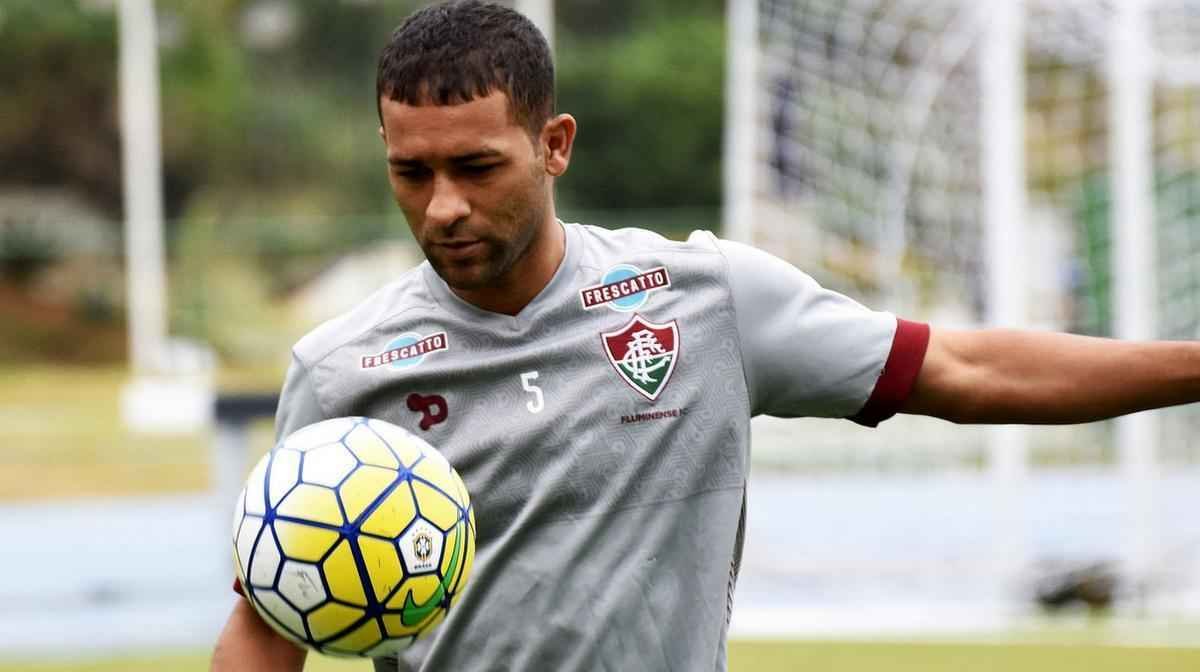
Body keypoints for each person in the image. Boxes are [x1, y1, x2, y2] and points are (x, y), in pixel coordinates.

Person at [210, 2, 1200, 670]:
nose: (442, 207)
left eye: (476, 167)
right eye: (410, 173)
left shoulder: (704, 301)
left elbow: (963, 367)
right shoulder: (342, 372)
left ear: (555, 145)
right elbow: (270, 617)